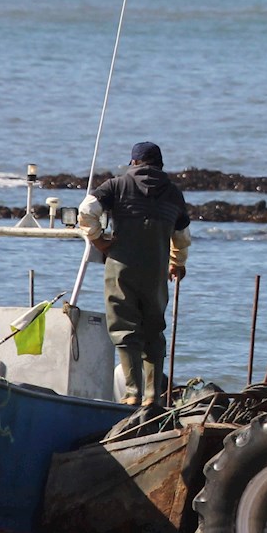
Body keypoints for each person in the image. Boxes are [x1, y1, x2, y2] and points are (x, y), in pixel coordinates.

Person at [81, 141, 190, 406]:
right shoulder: (173, 193)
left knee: (123, 327)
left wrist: (99, 241)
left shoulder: (116, 186)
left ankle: (132, 394)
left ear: (133, 163)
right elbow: (182, 236)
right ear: (160, 165)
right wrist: (177, 263)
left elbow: (86, 211)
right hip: (156, 272)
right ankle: (153, 397)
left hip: (121, 268)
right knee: (154, 329)